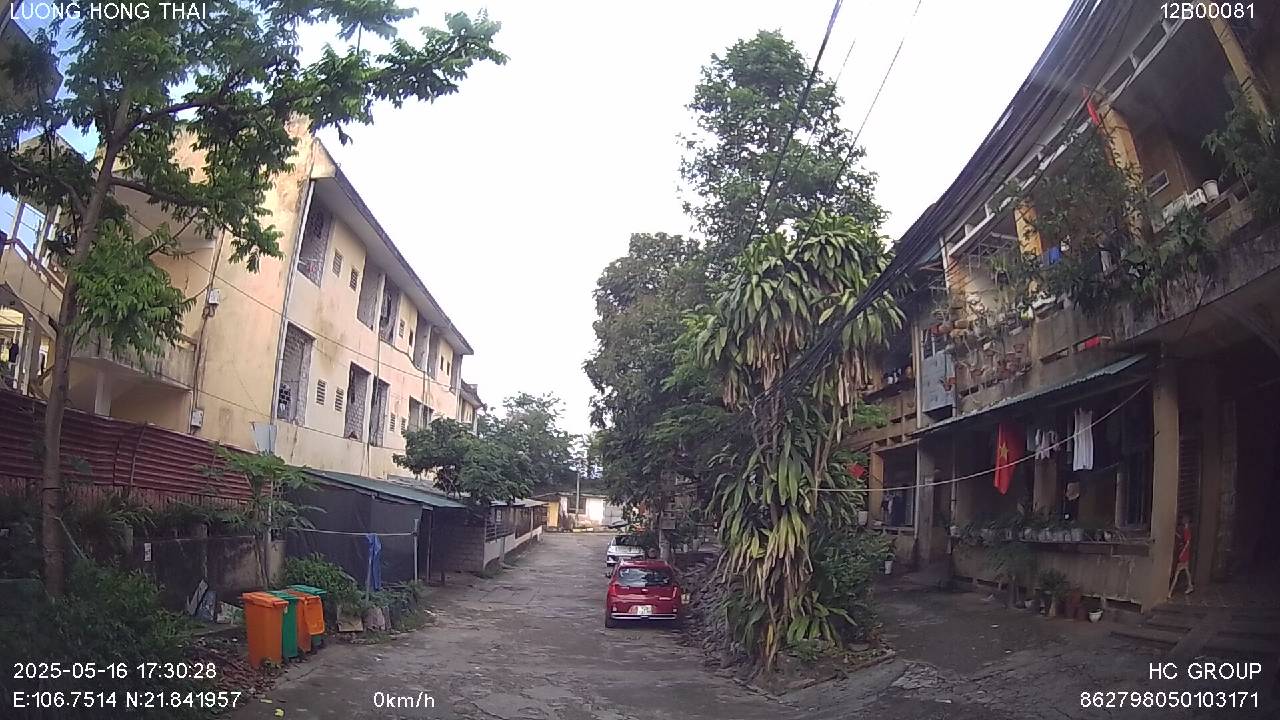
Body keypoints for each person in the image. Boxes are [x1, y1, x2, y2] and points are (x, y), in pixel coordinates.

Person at [1168, 513, 1194, 598]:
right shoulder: (1186, 531)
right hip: (1185, 554)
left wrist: (1182, 553)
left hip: (1183, 555)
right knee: (1186, 570)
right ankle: (1190, 585)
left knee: (1177, 573)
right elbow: (1185, 540)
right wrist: (1176, 534)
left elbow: (1187, 543)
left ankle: (1170, 592)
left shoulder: (1186, 531)